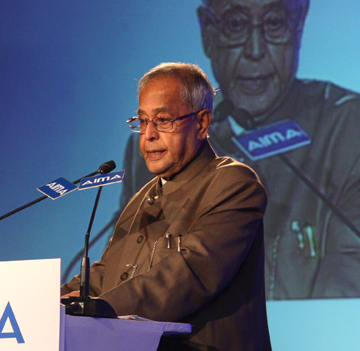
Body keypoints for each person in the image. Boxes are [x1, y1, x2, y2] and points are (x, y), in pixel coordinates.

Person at [120, 0, 360, 300]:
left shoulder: (349, 127)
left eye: (274, 23)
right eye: (236, 24)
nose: (255, 50)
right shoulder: (164, 141)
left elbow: (347, 289)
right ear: (208, 32)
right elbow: (126, 272)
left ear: (299, 23)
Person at [62, 63, 272, 350]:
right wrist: (49, 302)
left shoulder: (233, 183)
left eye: (162, 120)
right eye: (142, 121)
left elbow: (191, 272)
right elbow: (105, 275)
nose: (148, 134)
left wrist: (99, 308)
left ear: (201, 123)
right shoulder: (142, 197)